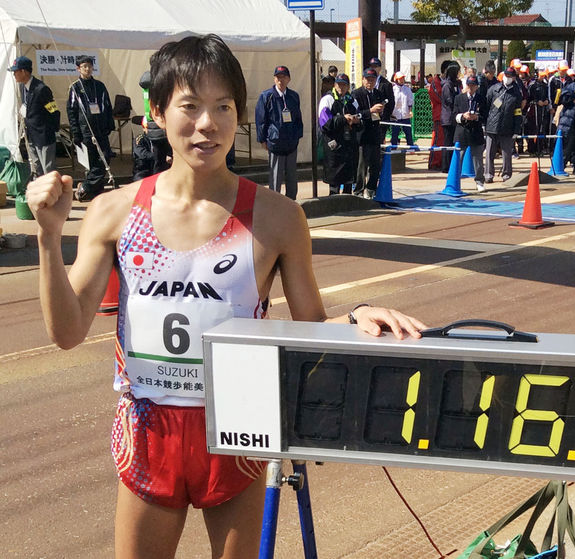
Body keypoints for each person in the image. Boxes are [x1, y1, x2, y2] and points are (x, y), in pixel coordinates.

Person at [26, 34, 425, 559]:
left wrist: (358, 316)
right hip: (149, 430)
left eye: (223, 107)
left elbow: (306, 329)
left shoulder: (278, 217)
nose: (207, 124)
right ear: (157, 111)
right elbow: (67, 331)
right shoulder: (115, 211)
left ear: (239, 114)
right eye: (189, 107)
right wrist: (49, 239)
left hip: (238, 428)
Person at [67, 55, 114, 202]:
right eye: (84, 66)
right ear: (78, 69)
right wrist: (75, 132)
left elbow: (107, 106)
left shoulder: (99, 86)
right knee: (92, 162)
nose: (87, 69)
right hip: (85, 130)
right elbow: (71, 111)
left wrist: (109, 124)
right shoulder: (75, 87)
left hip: (101, 129)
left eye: (89, 66)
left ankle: (86, 186)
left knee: (106, 156)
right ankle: (94, 190)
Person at [255, 65, 303, 200]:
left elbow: (298, 117)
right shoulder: (267, 96)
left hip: (291, 143)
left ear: (289, 79)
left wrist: (297, 135)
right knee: (275, 177)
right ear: (274, 79)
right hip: (275, 142)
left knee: (292, 176)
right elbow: (261, 119)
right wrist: (262, 139)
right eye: (278, 77)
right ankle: (274, 203)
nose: (280, 80)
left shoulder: (293, 96)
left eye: (283, 77)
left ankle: (291, 202)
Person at [8, 55, 60, 177]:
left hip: (44, 136)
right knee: (37, 168)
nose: (14, 75)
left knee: (48, 169)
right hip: (31, 135)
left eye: (15, 71)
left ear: (23, 71)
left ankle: (54, 193)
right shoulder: (22, 87)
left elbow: (54, 111)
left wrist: (51, 131)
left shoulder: (41, 89)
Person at [318, 73, 362, 195]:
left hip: (349, 146)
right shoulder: (327, 99)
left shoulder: (352, 101)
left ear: (348, 87)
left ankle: (348, 205)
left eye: (344, 85)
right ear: (334, 85)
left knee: (348, 181)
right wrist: (343, 119)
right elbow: (324, 123)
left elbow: (360, 121)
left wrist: (357, 121)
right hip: (333, 147)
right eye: (338, 84)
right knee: (334, 182)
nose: (341, 87)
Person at [485, 67, 523, 183]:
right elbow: (487, 105)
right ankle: (488, 174)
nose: (507, 78)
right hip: (492, 126)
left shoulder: (516, 93)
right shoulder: (494, 89)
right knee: (490, 152)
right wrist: (485, 123)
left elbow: (517, 112)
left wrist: (516, 129)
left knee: (507, 153)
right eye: (506, 76)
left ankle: (506, 175)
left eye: (510, 76)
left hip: (507, 126)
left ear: (514, 78)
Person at [352, 67, 386, 199]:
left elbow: (382, 113)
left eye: (372, 79)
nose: (370, 82)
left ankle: (372, 189)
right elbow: (356, 114)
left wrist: (381, 111)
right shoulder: (356, 94)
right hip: (362, 134)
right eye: (368, 79)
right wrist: (370, 110)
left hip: (375, 133)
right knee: (362, 165)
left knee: (375, 164)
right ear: (363, 79)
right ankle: (359, 190)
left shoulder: (377, 93)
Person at [454, 75, 488, 192]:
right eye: (469, 85)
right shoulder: (459, 98)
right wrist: (463, 116)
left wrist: (476, 117)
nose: (471, 87)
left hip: (476, 132)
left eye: (473, 85)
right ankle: (454, 180)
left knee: (477, 159)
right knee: (458, 158)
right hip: (462, 131)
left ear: (477, 87)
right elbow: (454, 114)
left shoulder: (481, 99)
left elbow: (485, 115)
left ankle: (479, 181)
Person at [427, 60, 450, 170]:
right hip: (439, 116)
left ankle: (444, 162)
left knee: (447, 141)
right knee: (437, 140)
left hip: (449, 116)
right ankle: (434, 163)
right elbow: (442, 97)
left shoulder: (452, 82)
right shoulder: (435, 82)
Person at [440, 63, 460, 172]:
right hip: (448, 118)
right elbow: (449, 101)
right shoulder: (447, 85)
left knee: (453, 142)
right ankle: (446, 166)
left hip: (453, 117)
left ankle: (452, 165)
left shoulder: (454, 84)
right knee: (447, 143)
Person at [390, 72, 415, 146]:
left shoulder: (407, 89)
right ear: (396, 79)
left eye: (403, 78)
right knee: (395, 132)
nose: (402, 80)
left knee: (408, 132)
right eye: (400, 79)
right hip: (395, 115)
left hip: (405, 114)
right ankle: (393, 147)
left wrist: (410, 111)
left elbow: (410, 101)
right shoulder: (393, 89)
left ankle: (411, 146)